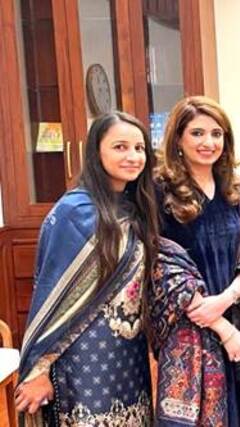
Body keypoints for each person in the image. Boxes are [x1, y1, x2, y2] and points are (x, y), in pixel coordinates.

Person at [15, 112, 159, 426]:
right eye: (120, 147)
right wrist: (39, 371)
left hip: (128, 356)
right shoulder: (74, 212)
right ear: (96, 152)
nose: (133, 156)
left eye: (139, 148)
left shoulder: (136, 208)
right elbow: (52, 299)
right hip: (81, 361)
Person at [155, 96, 240, 427]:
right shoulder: (159, 191)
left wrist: (226, 300)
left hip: (239, 318)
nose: (208, 142)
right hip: (190, 326)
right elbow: (161, 266)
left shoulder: (238, 189)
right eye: (197, 133)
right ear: (178, 138)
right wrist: (220, 326)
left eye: (216, 134)